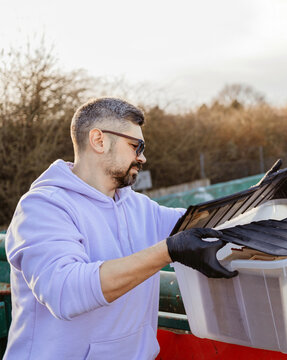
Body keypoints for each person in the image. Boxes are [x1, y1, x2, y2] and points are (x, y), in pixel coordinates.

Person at [4, 97, 238, 359]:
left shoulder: (137, 206)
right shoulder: (43, 207)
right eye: (135, 146)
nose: (143, 157)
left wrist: (264, 199)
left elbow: (202, 222)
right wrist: (167, 251)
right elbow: (64, 292)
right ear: (99, 140)